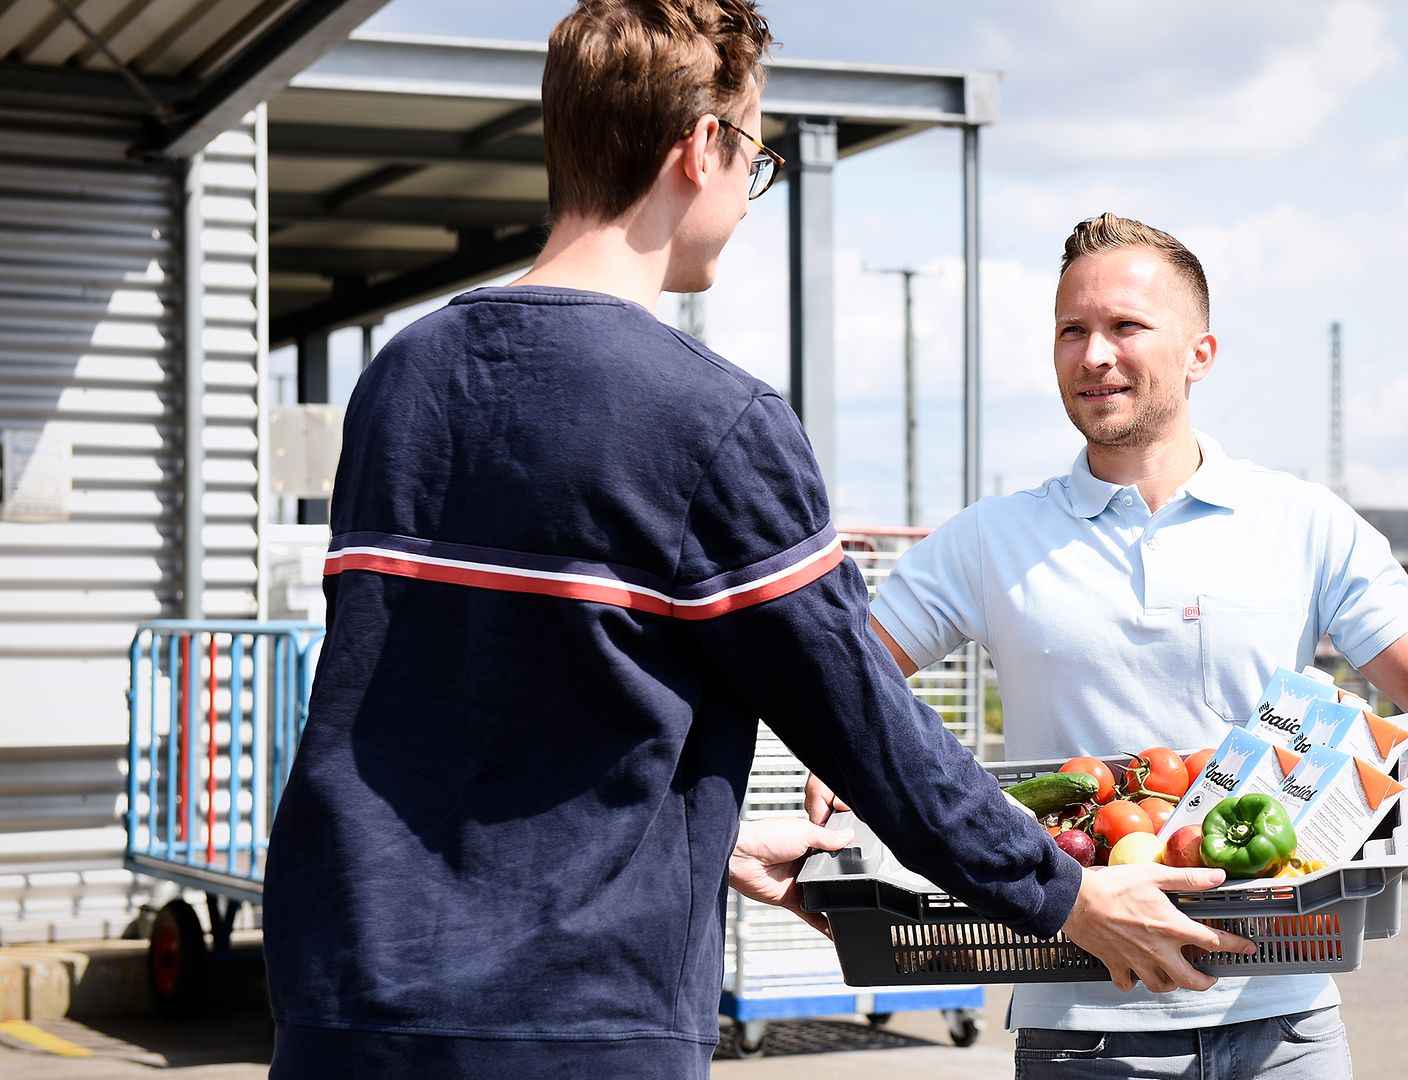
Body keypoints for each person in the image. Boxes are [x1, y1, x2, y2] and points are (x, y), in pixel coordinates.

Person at [258, 10, 1252, 1078]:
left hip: (345, 997)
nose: (747, 191)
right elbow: (865, 726)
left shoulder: (402, 379)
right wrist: (1065, 895)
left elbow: (463, 714)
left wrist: (709, 838)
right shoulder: (709, 420)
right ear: (699, 149)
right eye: (756, 156)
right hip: (576, 1025)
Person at [808, 213, 1408, 1078]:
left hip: (1285, 1020)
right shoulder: (990, 539)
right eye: (1072, 330)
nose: (1094, 354)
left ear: (1199, 354)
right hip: (1083, 1023)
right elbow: (842, 681)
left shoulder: (1302, 523)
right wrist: (841, 758)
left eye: (1126, 327)